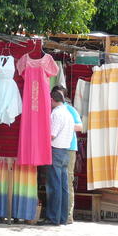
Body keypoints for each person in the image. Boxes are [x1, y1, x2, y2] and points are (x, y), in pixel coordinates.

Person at [39, 89, 75, 226]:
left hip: (55, 150)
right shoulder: (68, 113)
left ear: (52, 100)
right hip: (65, 150)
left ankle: (53, 217)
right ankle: (62, 217)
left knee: (54, 186)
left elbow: (52, 135)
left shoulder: (56, 113)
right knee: (63, 187)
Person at [51, 85, 83, 224]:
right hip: (64, 147)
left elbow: (80, 127)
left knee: (63, 182)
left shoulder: (66, 110)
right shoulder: (62, 111)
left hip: (66, 148)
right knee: (63, 183)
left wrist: (64, 128)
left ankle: (66, 216)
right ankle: (63, 216)